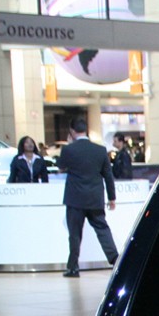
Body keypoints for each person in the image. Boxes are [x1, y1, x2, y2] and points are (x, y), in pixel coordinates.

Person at [57, 118, 118, 278]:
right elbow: (108, 175)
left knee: (75, 233)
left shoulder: (69, 150)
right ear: (86, 130)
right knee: (102, 229)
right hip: (94, 197)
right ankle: (115, 260)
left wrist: (69, 144)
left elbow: (60, 165)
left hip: (75, 198)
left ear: (72, 131)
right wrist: (112, 197)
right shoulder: (100, 150)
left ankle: (73, 267)